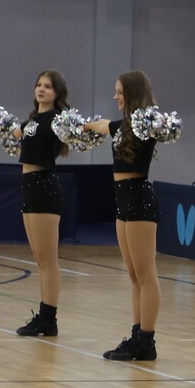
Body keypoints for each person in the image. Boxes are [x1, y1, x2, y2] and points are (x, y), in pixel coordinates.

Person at [80, 71, 163, 361]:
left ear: (132, 93)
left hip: (140, 200)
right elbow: (103, 125)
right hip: (123, 202)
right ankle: (137, 335)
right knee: (133, 275)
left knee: (146, 273)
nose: (115, 97)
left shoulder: (146, 123)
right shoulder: (121, 126)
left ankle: (146, 341)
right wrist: (81, 126)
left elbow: (162, 126)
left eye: (119, 92)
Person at [13, 70, 71, 339]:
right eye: (38, 85)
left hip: (45, 186)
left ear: (57, 92)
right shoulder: (32, 120)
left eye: (48, 86)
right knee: (39, 259)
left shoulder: (57, 119)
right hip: (29, 186)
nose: (41, 89)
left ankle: (49, 319)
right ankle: (44, 317)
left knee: (48, 260)